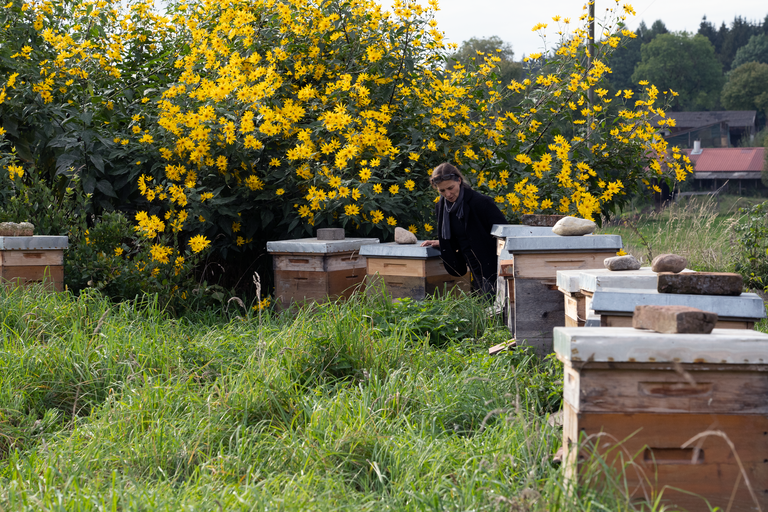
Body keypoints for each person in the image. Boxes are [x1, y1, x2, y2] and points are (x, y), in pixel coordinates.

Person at [421, 162, 507, 297]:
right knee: (481, 305)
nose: (448, 194)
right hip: (470, 263)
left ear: (459, 180)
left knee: (492, 304)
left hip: (490, 263)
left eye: (451, 188)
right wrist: (443, 243)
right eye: (442, 191)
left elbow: (504, 233)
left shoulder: (481, 202)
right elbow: (458, 233)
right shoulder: (441, 207)